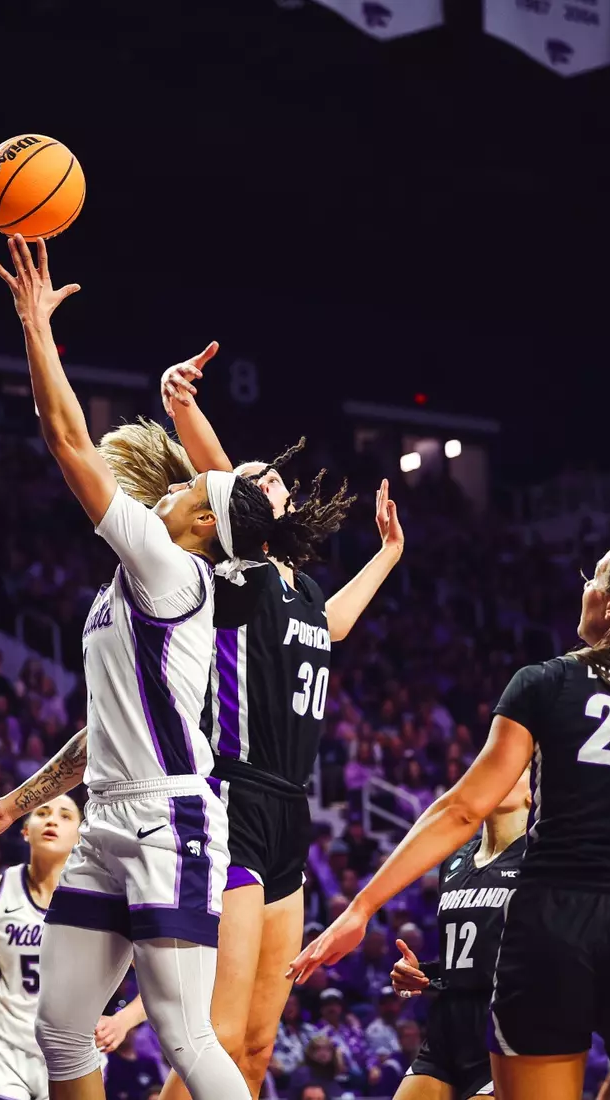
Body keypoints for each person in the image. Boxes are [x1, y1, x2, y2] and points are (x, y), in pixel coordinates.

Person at [0, 235, 287, 1100]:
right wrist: (13, 804)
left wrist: (35, 327)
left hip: (172, 820)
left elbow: (68, 441)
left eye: (189, 492)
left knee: (184, 1034)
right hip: (109, 819)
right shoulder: (141, 579)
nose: (167, 489)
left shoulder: (169, 567)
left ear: (201, 523)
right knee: (61, 1030)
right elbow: (102, 732)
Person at [288, 530, 610, 1100]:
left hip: (546, 930)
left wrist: (362, 907)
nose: (585, 586)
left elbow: (464, 809)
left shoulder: (545, 682)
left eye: (595, 575)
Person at [147, 345, 399, 1100]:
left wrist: (390, 553)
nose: (267, 480)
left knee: (257, 1048)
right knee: (215, 1043)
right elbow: (226, 488)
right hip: (233, 799)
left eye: (273, 477)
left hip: (290, 811)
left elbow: (338, 624)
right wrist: (184, 407)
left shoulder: (301, 586)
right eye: (253, 482)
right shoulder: (235, 574)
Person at [0, 795, 147, 1100]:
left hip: (75, 1049)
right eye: (43, 812)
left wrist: (124, 1020)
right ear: (26, 830)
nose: (52, 820)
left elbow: (159, 980)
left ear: (81, 833)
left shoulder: (105, 899)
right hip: (1, 1049)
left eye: (66, 816)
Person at [385, 770, 531, 1100]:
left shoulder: (539, 859)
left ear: (533, 794)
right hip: (447, 1024)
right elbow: (474, 948)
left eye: (517, 769)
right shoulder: (456, 859)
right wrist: (423, 972)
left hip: (504, 1024)